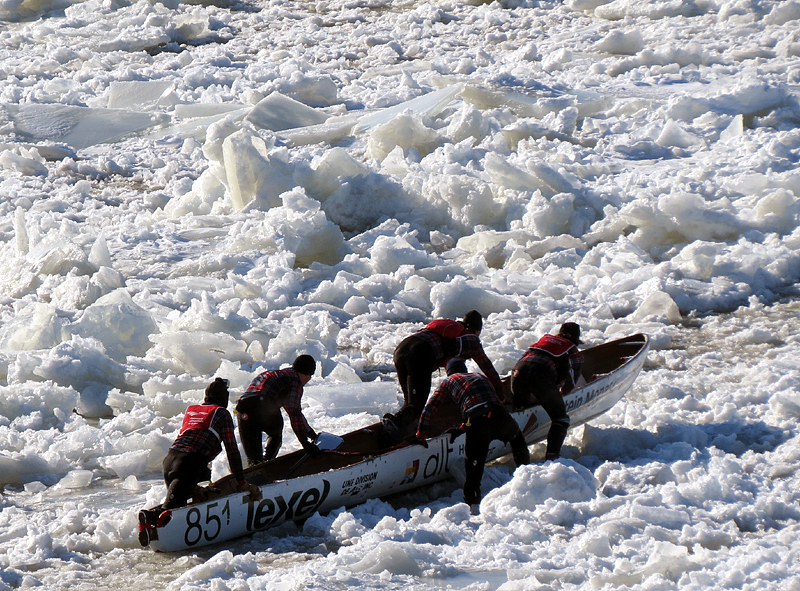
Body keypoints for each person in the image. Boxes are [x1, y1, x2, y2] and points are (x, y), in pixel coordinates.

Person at [138, 378, 261, 545]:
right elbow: (232, 451)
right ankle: (150, 517)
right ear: (224, 397)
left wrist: (193, 488)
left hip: (170, 461)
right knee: (170, 510)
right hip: (190, 463)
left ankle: (155, 527)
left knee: (177, 501)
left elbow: (190, 439)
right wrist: (241, 482)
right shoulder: (222, 413)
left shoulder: (192, 410)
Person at [407, 361, 530, 505]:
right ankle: (527, 480)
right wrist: (462, 428)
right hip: (499, 415)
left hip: (478, 423)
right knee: (517, 440)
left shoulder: (448, 381)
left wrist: (420, 436)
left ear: (449, 372)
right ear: (464, 369)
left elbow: (429, 410)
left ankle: (473, 505)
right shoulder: (479, 376)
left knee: (473, 471)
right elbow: (488, 402)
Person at [386, 310, 503, 439]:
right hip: (419, 353)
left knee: (410, 402)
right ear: (477, 331)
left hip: (402, 349)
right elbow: (487, 367)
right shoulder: (471, 339)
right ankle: (396, 431)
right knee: (415, 407)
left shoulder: (451, 329)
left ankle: (401, 429)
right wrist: (499, 390)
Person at [510, 322, 584, 461]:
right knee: (560, 418)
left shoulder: (542, 342)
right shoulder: (571, 349)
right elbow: (573, 376)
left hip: (517, 375)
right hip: (541, 377)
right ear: (575, 337)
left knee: (520, 411)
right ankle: (552, 457)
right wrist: (561, 393)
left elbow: (522, 360)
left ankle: (517, 451)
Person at [235, 354, 320, 466]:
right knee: (276, 434)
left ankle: (256, 469)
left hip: (242, 408)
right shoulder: (295, 381)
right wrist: (305, 443)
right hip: (263, 403)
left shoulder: (278, 375)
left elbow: (293, 411)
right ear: (307, 375)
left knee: (254, 459)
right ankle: (269, 463)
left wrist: (310, 433)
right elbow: (295, 415)